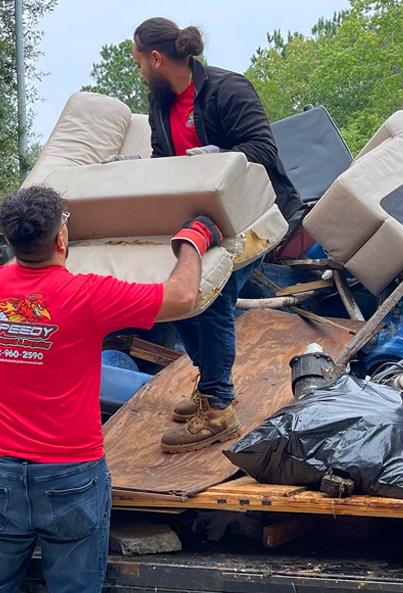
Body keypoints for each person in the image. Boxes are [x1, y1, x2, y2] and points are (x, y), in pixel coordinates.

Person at [0, 185, 220, 593]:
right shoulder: (87, 296)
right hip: (70, 474)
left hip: (0, 473)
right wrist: (193, 241)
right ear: (61, 239)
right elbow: (182, 296)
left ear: (10, 240)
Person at [128, 17, 302, 453]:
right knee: (182, 296)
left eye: (138, 63)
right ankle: (211, 386)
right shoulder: (160, 104)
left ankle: (219, 406)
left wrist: (215, 158)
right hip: (202, 221)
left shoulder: (227, 89)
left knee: (214, 295)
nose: (139, 72)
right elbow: (162, 158)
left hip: (255, 216)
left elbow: (263, 150)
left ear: (155, 58)